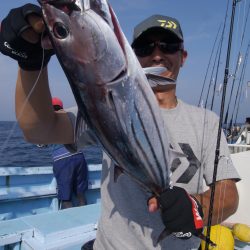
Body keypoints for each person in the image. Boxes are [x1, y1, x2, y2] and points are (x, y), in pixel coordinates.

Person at [0, 4, 240, 250]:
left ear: (183, 56)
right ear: (132, 55)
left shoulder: (206, 121)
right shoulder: (101, 109)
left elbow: (229, 195)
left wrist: (197, 207)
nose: (157, 55)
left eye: (168, 46)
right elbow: (39, 130)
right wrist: (29, 63)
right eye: (146, 48)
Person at [51, 97, 88, 209]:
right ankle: (85, 219)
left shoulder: (49, 120)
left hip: (62, 160)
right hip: (79, 156)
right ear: (61, 106)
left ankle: (70, 222)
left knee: (66, 198)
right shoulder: (71, 116)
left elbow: (41, 144)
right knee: (81, 193)